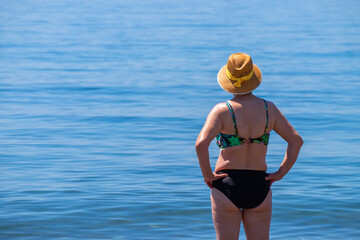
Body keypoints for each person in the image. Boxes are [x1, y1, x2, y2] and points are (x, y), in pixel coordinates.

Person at [195, 53, 303, 240]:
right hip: (259, 185)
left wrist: (208, 175)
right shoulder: (269, 108)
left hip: (227, 184)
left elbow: (201, 144)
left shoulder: (221, 110)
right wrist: (280, 173)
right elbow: (296, 141)